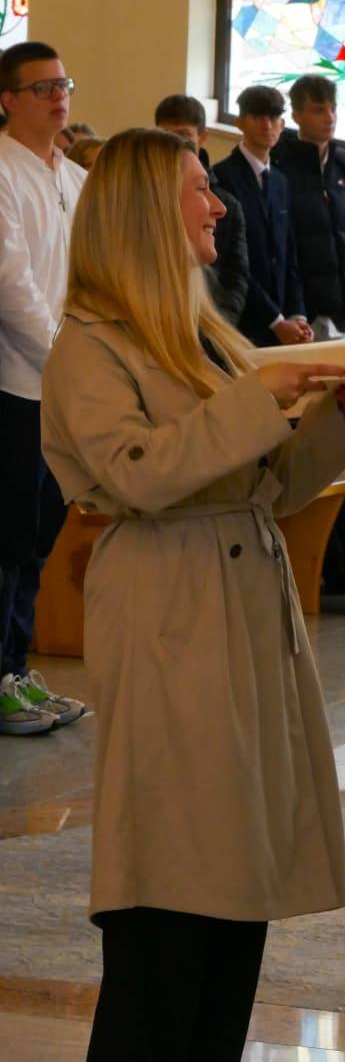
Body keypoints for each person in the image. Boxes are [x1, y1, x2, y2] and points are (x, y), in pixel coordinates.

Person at [40, 127, 345, 1060]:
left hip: (243, 608)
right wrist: (259, 401)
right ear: (146, 211)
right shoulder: (89, 347)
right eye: (197, 187)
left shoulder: (201, 335)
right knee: (173, 892)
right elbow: (137, 473)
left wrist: (339, 416)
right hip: (170, 609)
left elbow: (269, 488)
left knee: (235, 891)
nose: (218, 204)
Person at [0, 41, 87, 736]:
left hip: (65, 387)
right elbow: (12, 284)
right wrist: (63, 361)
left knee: (37, 538)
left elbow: (86, 276)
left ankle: (18, 670)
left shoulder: (75, 176)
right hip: (16, 385)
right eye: (42, 88)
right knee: (6, 538)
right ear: (7, 100)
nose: (59, 97)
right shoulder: (2, 169)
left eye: (63, 85)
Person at [211, 84, 313, 347]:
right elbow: (231, 261)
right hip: (242, 319)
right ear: (240, 123)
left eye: (274, 117)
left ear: (282, 124)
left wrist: (297, 314)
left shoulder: (280, 181)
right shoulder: (222, 177)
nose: (267, 125)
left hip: (282, 320)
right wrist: (275, 320)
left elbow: (289, 254)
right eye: (257, 116)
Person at [272, 74, 345, 340]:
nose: (329, 117)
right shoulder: (279, 165)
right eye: (318, 110)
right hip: (299, 314)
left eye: (333, 108)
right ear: (297, 116)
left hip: (342, 312)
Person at [154, 94, 250, 329]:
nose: (175, 143)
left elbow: (235, 276)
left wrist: (216, 326)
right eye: (166, 135)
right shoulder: (148, 198)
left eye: (183, 135)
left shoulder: (228, 203)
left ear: (202, 136)